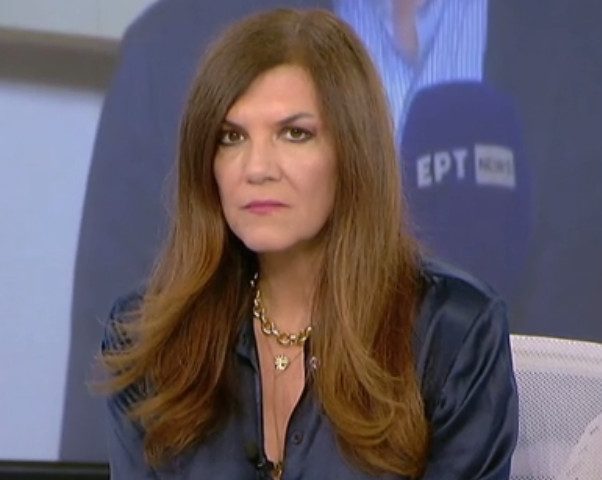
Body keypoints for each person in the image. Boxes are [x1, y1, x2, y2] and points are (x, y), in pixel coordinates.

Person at [101, 8, 518, 479]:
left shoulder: (453, 334)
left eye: (294, 133)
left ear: (352, 153)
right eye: (231, 137)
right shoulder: (148, 340)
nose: (257, 168)